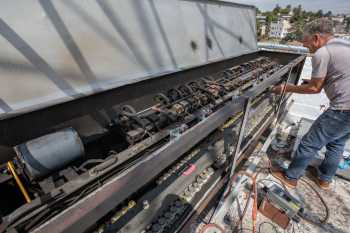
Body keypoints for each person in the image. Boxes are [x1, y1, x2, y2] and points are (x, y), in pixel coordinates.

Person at [271, 18, 350, 190]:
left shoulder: (323, 52)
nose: (307, 48)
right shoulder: (344, 45)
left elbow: (314, 89)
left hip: (343, 110)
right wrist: (313, 83)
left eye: (307, 44)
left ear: (316, 38)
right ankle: (324, 180)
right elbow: (338, 75)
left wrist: (286, 87)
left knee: (309, 143)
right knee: (336, 144)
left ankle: (290, 178)